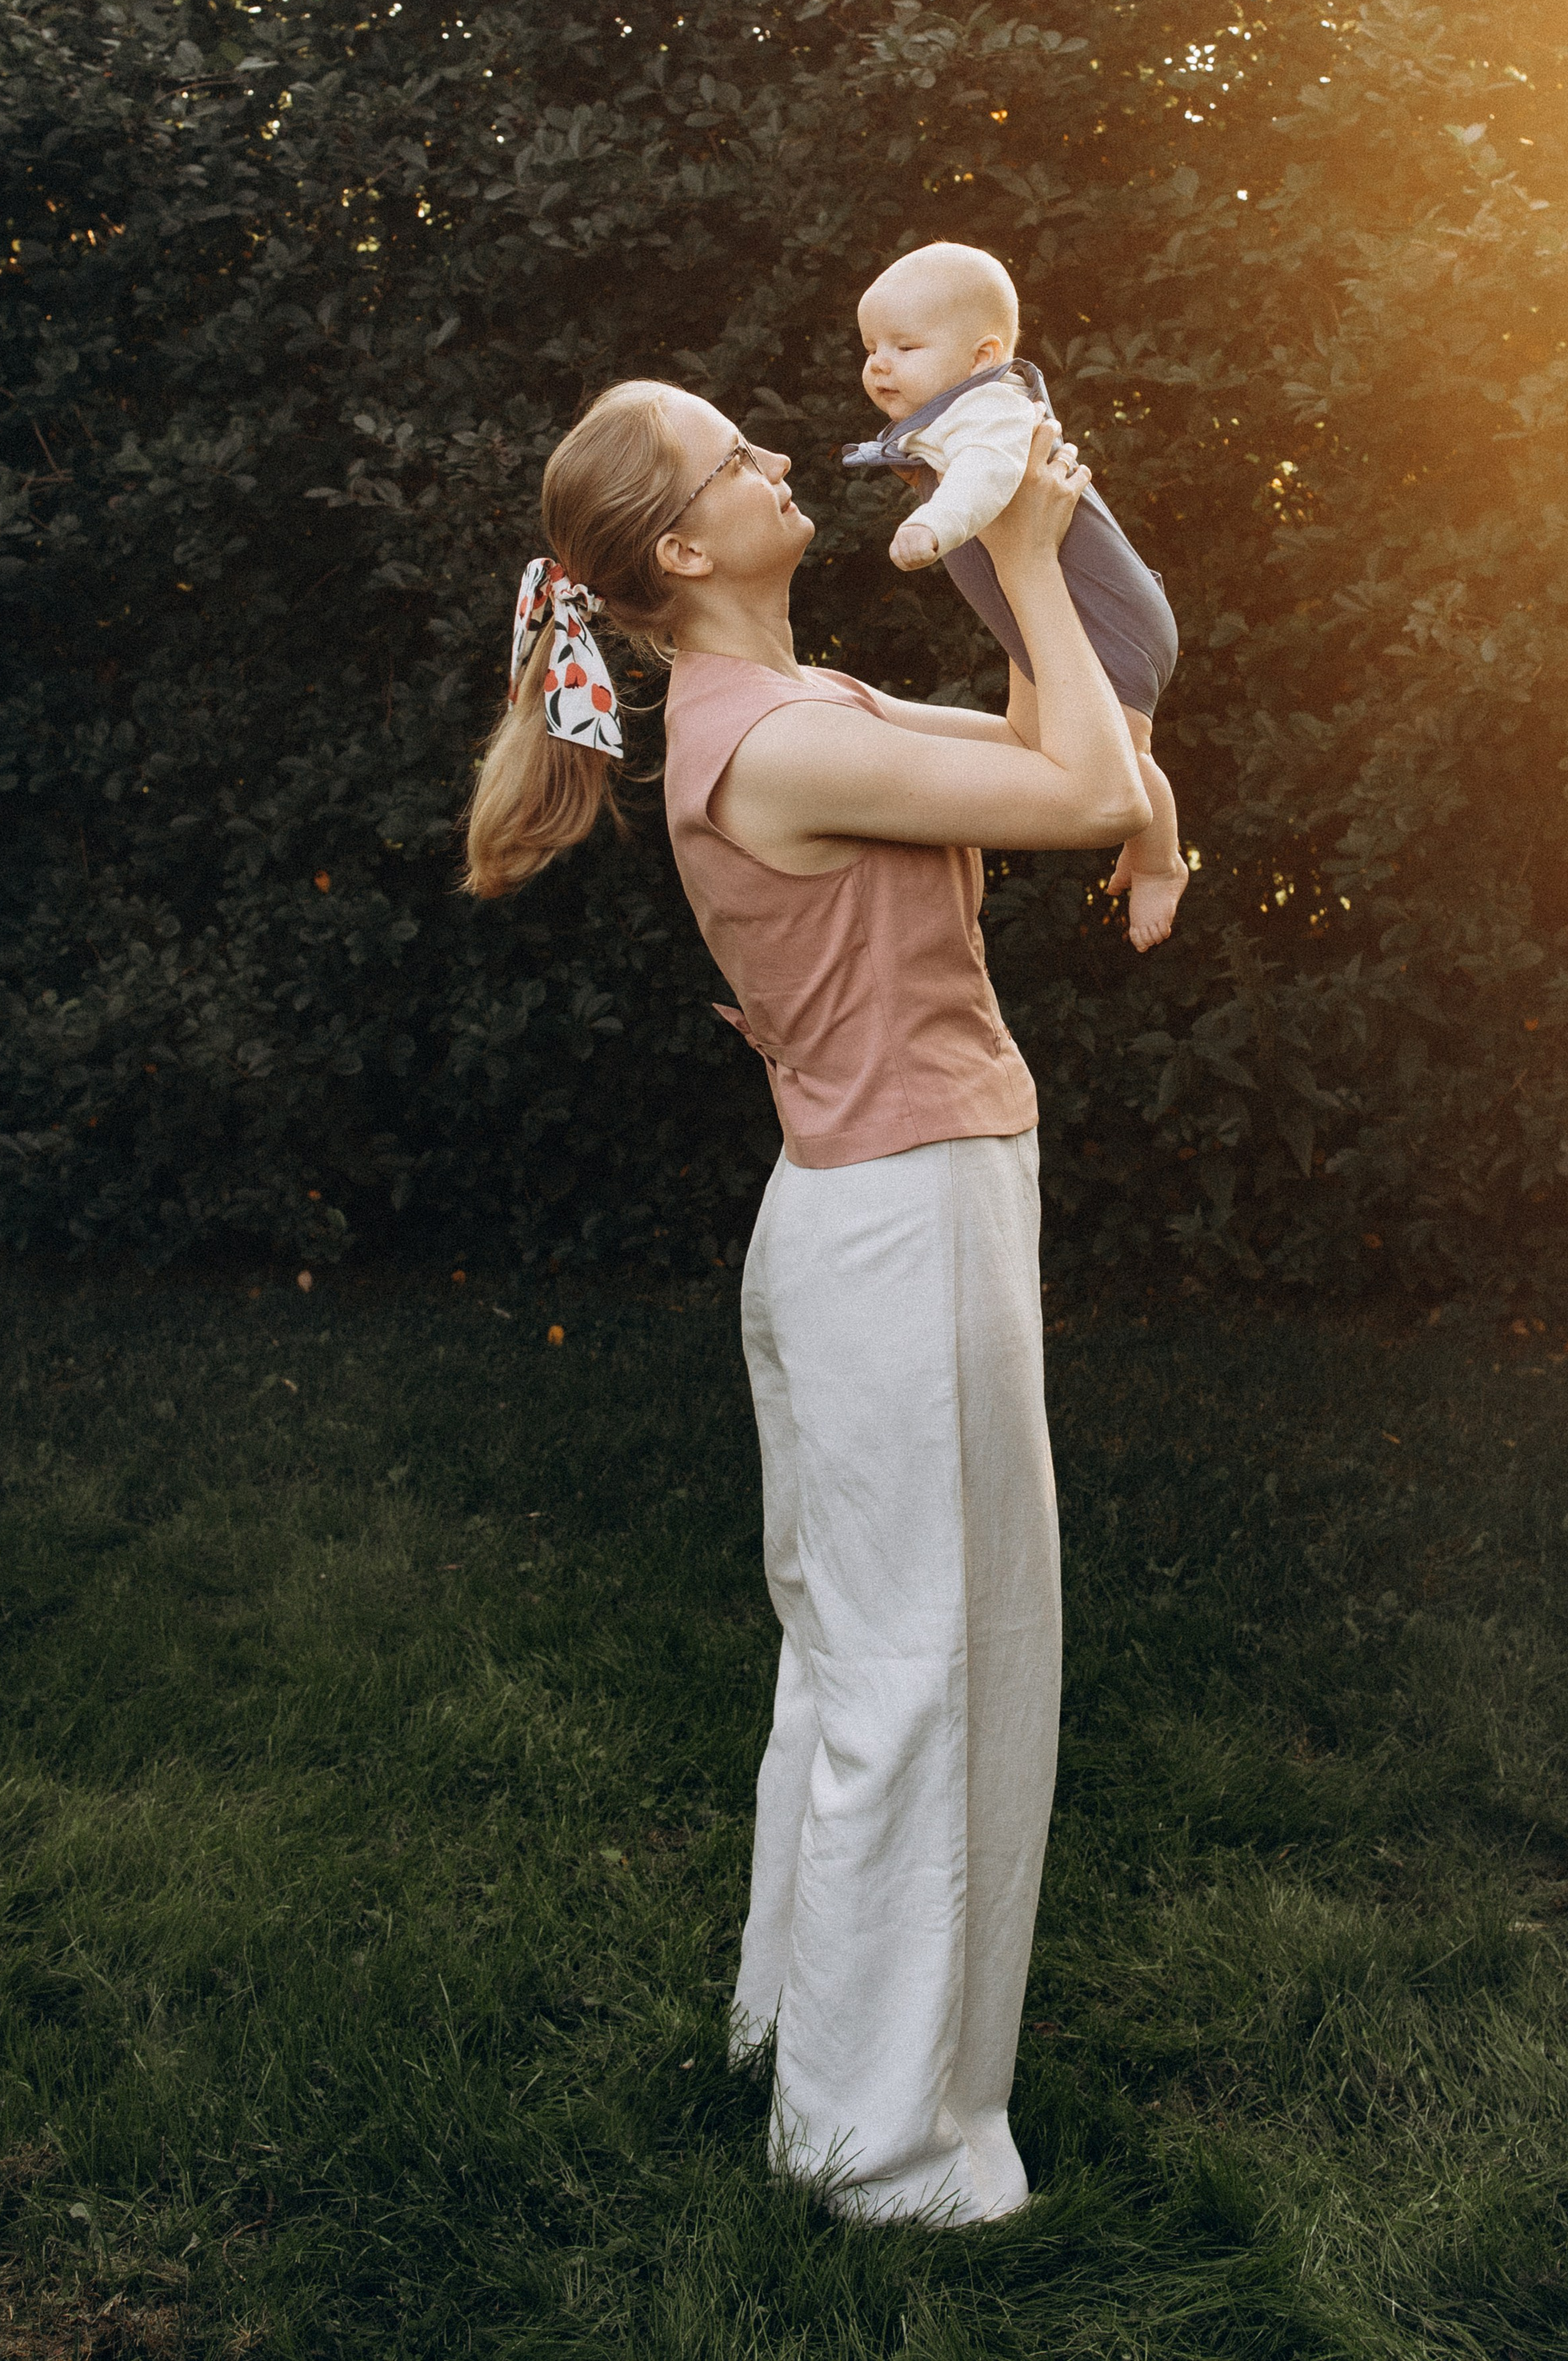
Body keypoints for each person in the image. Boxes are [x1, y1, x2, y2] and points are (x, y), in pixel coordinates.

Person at [462, 378, 1149, 2226]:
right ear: (680, 546)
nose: (774, 455)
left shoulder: (799, 705)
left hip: (867, 1216)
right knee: (924, 1670)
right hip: (898, 1227)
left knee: (863, 1658)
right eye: (730, 454)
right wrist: (1010, 539)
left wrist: (1033, 551)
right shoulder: (766, 739)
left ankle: (804, 2038)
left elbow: (1054, 731)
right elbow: (1087, 791)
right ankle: (885, 2149)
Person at [844, 240, 1188, 950]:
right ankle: (1145, 837)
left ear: (981, 356)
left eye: (904, 346)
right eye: (872, 346)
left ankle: (1161, 861)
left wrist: (930, 523)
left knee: (1122, 748)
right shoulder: (949, 417)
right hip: (1046, 618)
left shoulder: (995, 408)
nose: (879, 363)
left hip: (1106, 615)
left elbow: (983, 479)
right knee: (1042, 744)